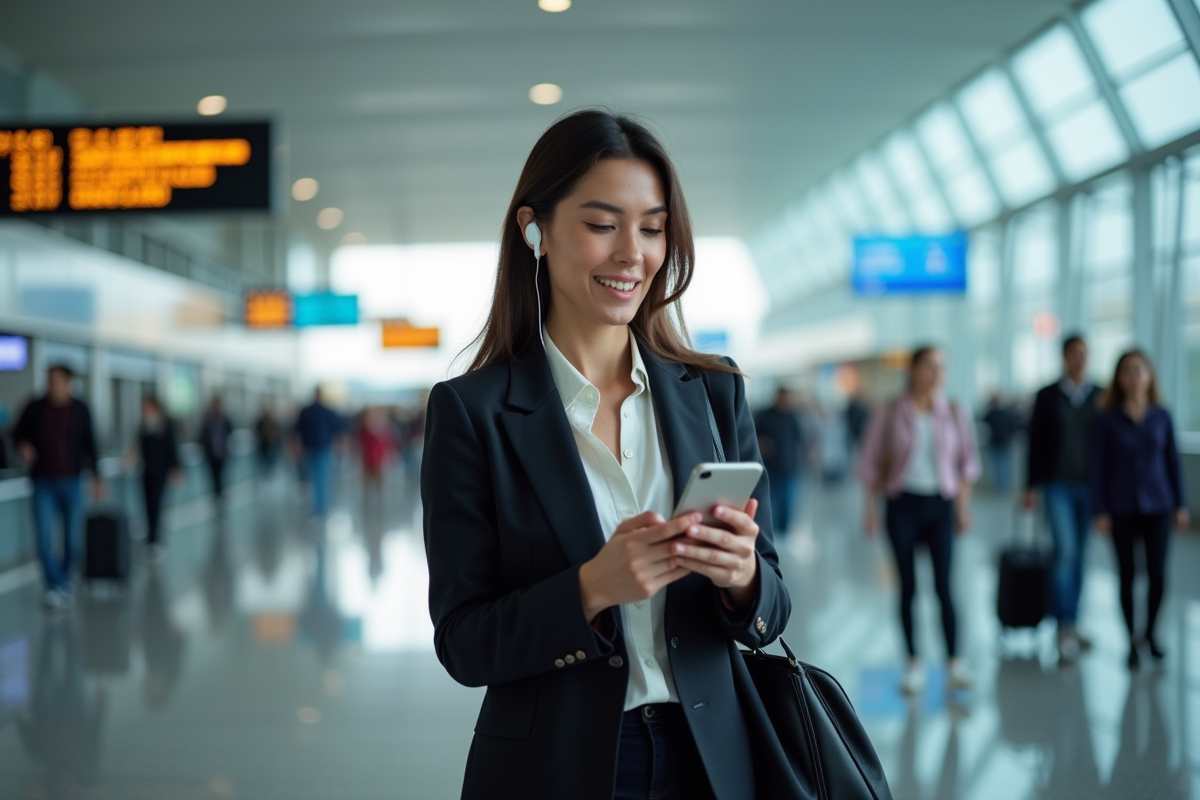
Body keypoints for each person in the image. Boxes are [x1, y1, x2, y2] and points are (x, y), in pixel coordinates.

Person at [422, 110, 789, 800]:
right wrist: (591, 588)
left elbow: (773, 602)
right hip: (557, 766)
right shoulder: (472, 413)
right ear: (534, 229)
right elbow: (464, 643)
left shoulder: (714, 392)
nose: (633, 253)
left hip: (713, 758)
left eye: (652, 228)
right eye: (601, 225)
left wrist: (743, 576)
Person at [857, 345, 980, 695]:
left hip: (941, 505)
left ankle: (955, 661)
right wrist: (869, 511)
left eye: (942, 366)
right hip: (902, 504)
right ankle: (913, 662)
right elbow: (869, 463)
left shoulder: (955, 411)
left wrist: (963, 508)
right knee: (908, 587)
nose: (937, 373)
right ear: (912, 370)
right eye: (930, 366)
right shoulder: (891, 411)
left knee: (944, 586)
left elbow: (968, 465)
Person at [1092, 350, 1188, 669]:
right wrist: (1100, 509)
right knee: (1127, 575)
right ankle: (1131, 640)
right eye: (1127, 372)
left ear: (1149, 376)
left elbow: (1173, 461)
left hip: (1158, 503)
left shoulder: (1162, 415)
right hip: (1120, 506)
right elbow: (1100, 467)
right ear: (1119, 379)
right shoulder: (1108, 419)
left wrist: (1181, 504)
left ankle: (1151, 634)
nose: (1133, 378)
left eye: (1139, 371)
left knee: (1158, 574)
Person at [1022, 334, 1102, 663]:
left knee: (1080, 555)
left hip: (1091, 486)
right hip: (1056, 484)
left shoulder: (1101, 396)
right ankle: (1064, 625)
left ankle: (1071, 620)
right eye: (1074, 354)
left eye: (1085, 354)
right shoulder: (1047, 396)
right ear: (1064, 357)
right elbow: (1034, 443)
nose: (1080, 359)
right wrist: (1029, 486)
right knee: (1065, 551)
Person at [12, 364, 104, 610]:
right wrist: (22, 445)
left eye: (58, 380)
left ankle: (63, 580)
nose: (53, 385)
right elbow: (16, 434)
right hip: (43, 482)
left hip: (72, 481)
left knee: (73, 540)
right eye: (50, 380)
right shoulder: (34, 408)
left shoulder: (80, 410)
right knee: (43, 538)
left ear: (69, 383)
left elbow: (91, 444)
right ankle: (54, 586)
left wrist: (97, 477)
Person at [123, 395, 182, 563]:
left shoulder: (166, 424)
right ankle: (150, 539)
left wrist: (175, 468)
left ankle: (156, 541)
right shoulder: (144, 425)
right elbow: (138, 446)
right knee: (147, 506)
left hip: (160, 473)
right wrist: (128, 458)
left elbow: (172, 448)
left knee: (156, 506)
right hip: (145, 472)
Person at [754, 387, 804, 535]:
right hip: (769, 467)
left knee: (787, 503)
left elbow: (799, 438)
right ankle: (771, 532)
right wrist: (762, 443)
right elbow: (753, 438)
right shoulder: (764, 415)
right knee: (770, 502)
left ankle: (784, 532)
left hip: (790, 466)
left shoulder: (792, 416)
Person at [293, 387, 346, 517]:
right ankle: (320, 507)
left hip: (315, 448)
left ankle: (319, 507)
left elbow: (298, 432)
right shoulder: (324, 411)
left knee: (317, 478)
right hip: (320, 448)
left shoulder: (308, 411)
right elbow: (340, 430)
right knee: (321, 477)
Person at [199, 396, 232, 511]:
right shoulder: (207, 420)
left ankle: (220, 497)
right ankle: (217, 497)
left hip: (222, 454)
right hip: (211, 455)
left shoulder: (225, 420)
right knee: (213, 478)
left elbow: (230, 433)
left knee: (220, 477)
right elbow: (202, 436)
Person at [981, 392, 1017, 494]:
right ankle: (1003, 486)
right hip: (1003, 442)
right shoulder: (1006, 412)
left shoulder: (992, 413)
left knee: (999, 466)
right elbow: (1013, 427)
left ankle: (1000, 487)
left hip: (997, 443)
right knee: (1003, 466)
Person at [254, 399, 284, 479]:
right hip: (263, 446)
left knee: (271, 464)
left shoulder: (274, 421)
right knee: (263, 464)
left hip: (272, 446)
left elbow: (279, 434)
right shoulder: (260, 422)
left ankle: (269, 477)